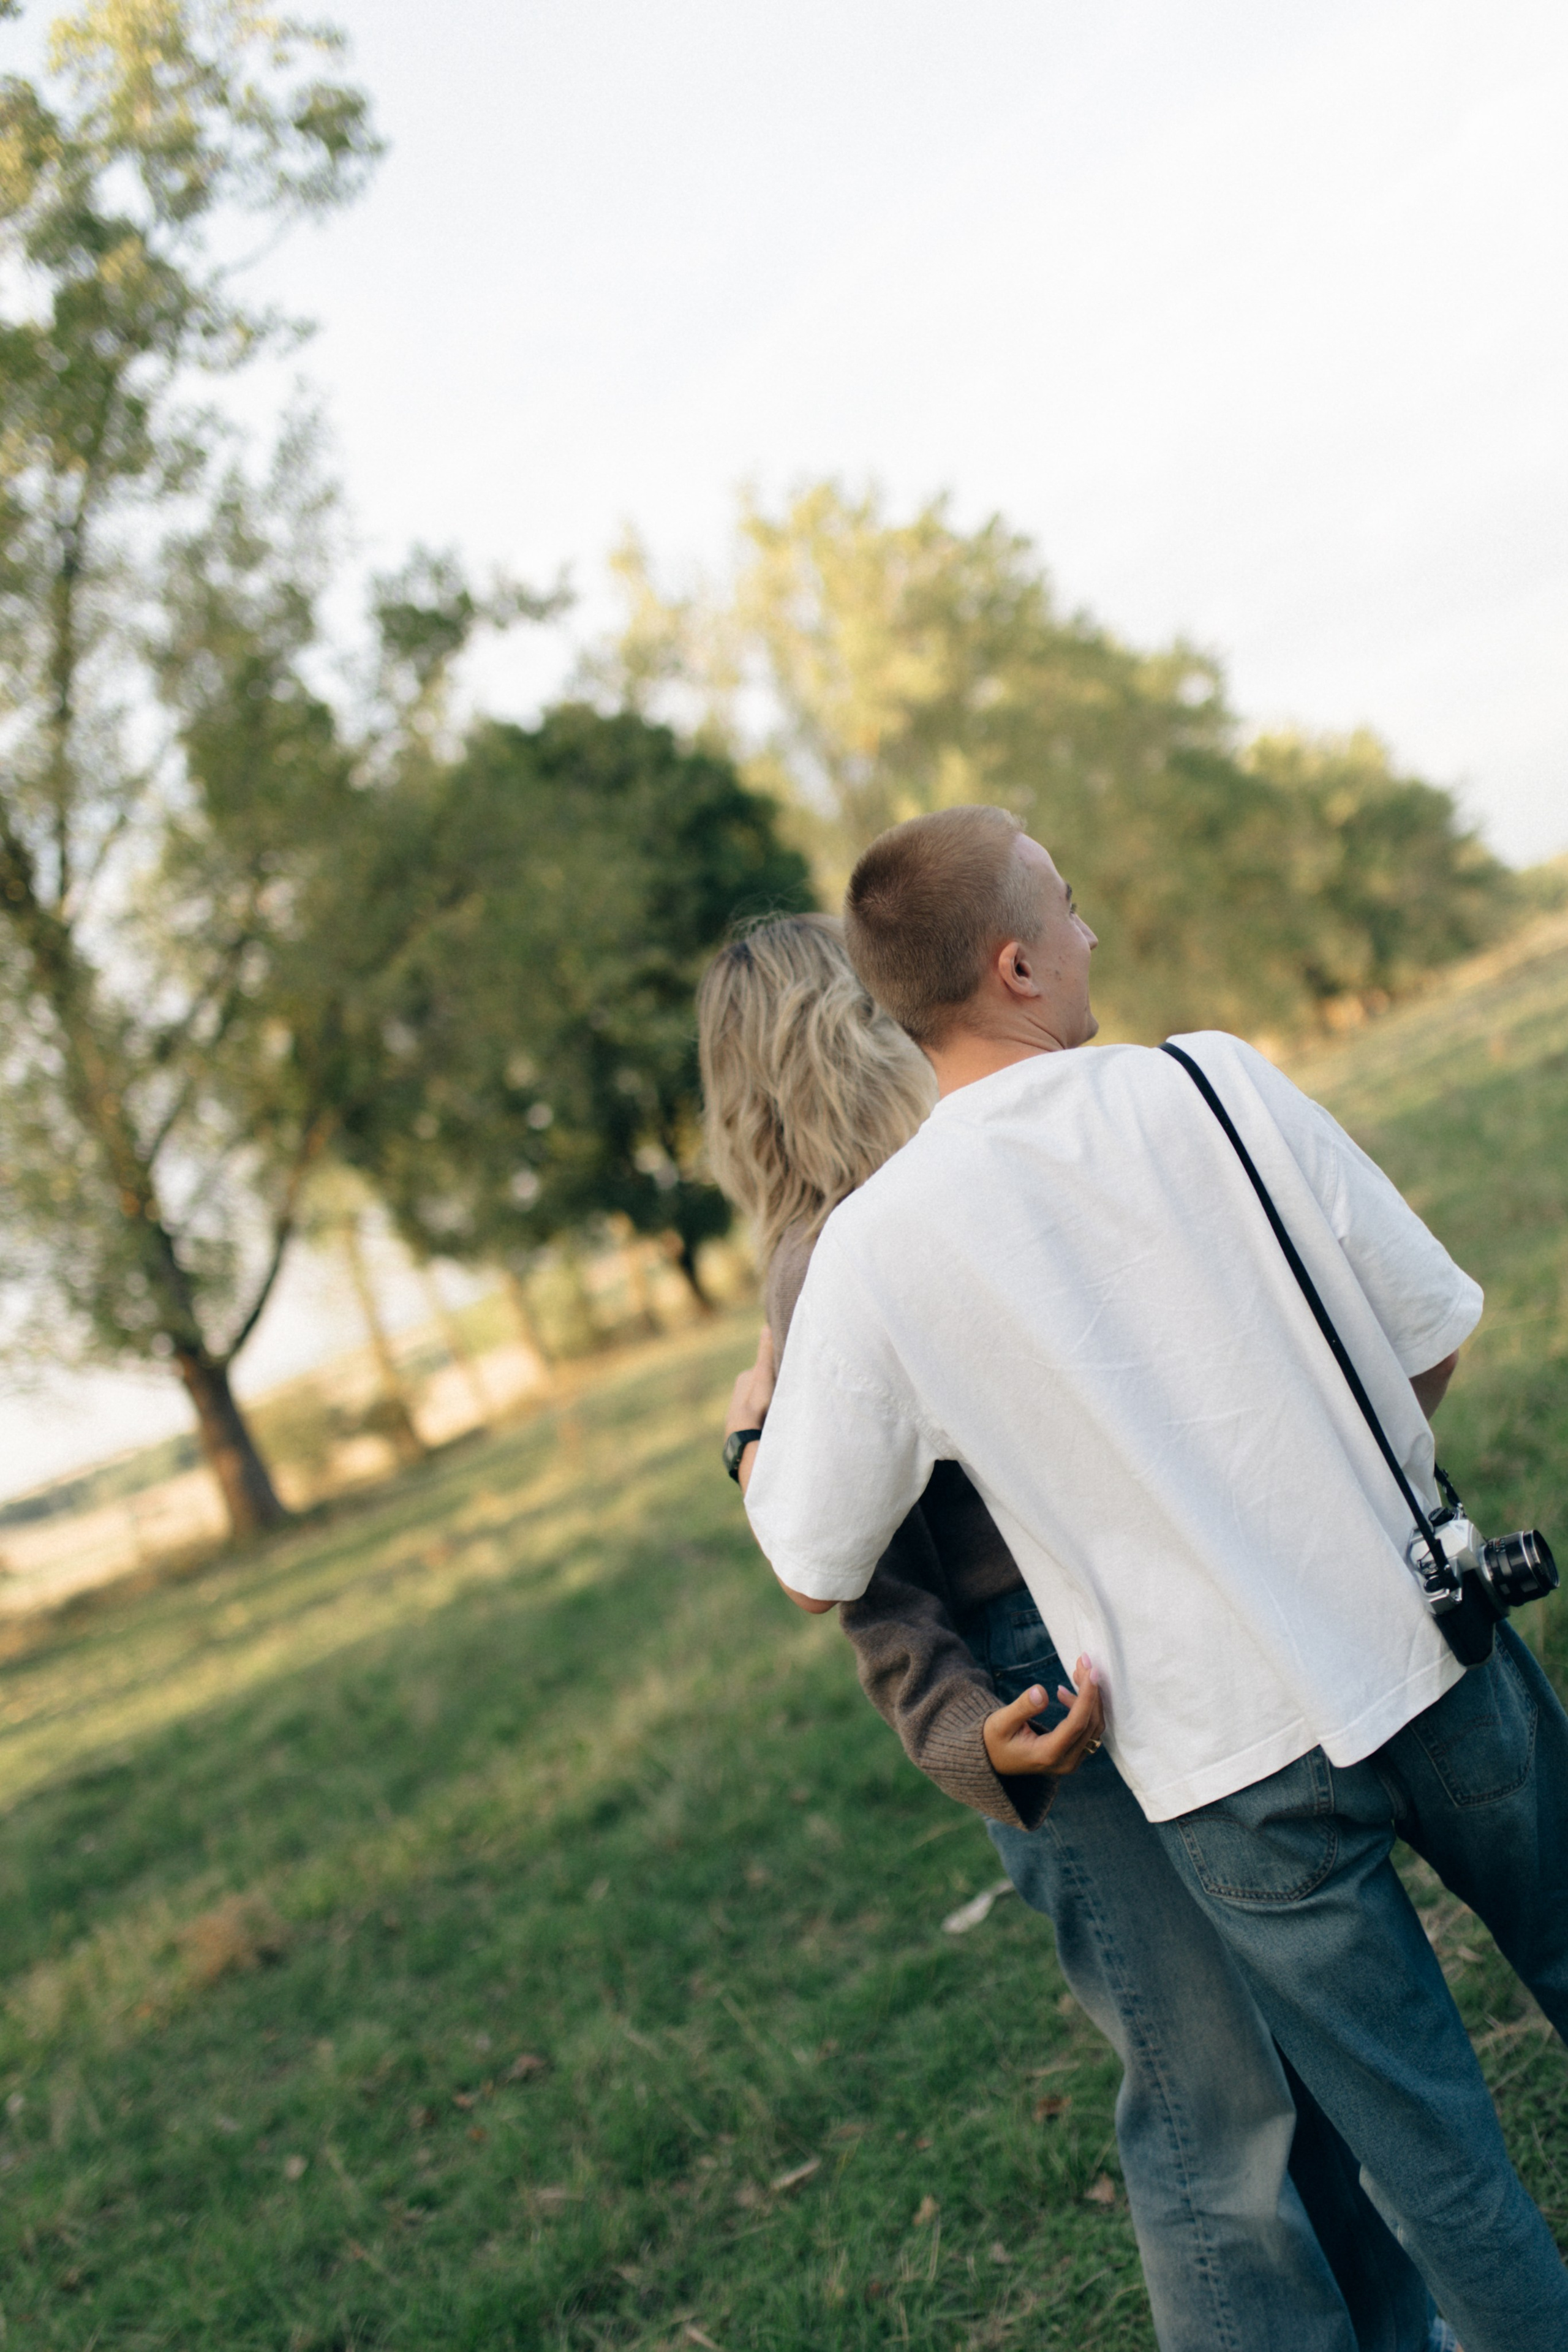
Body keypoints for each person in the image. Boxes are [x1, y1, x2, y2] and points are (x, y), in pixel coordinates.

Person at [732, 807, 1568, 2352]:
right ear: (1016, 962)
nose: (1092, 930)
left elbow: (811, 1559)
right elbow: (1431, 1328)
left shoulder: (872, 1252)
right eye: (1070, 903)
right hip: (1423, 1641)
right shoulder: (1214, 1085)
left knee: (1439, 2168)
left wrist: (749, 1426)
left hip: (1226, 1780)